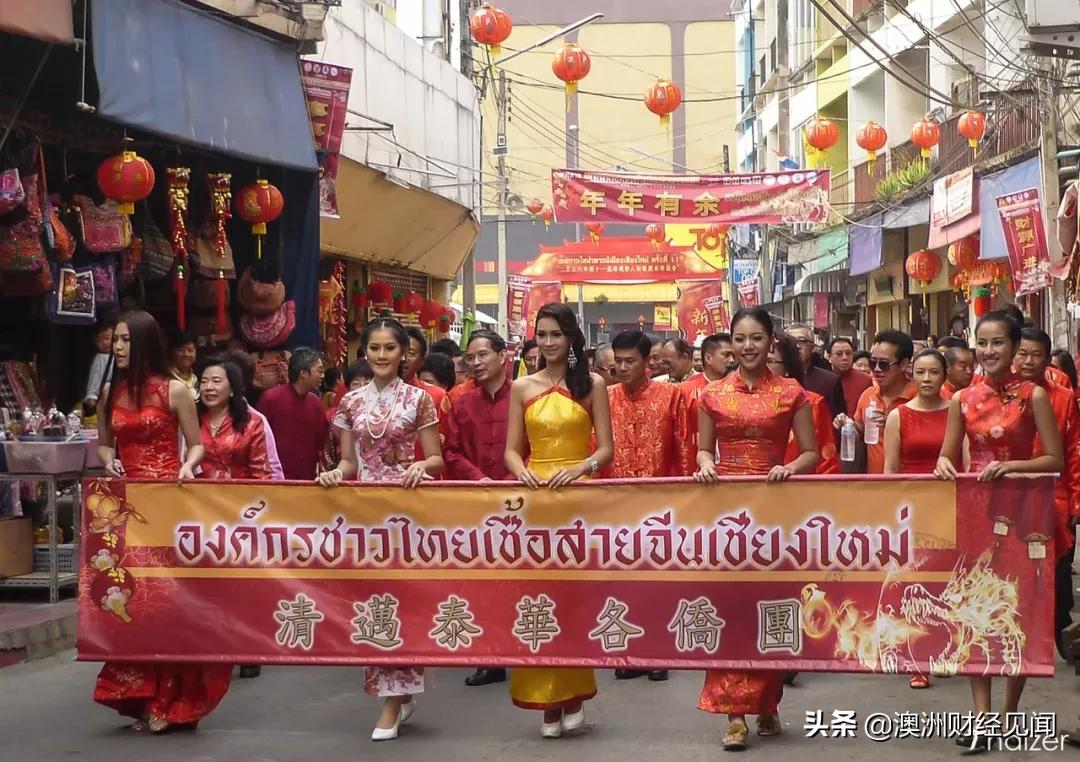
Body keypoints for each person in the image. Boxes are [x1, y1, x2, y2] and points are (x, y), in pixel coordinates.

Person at [92, 310, 228, 733]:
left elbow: (197, 446)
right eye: (115, 340)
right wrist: (109, 460)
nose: (118, 347)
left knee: (168, 603)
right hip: (126, 507)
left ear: (146, 342)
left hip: (168, 504)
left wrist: (188, 468)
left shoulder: (175, 390)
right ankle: (142, 693)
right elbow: (103, 445)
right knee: (132, 601)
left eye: (126, 340)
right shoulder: (109, 391)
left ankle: (173, 698)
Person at [934, 311, 1063, 752]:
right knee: (973, 612)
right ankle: (980, 716)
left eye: (997, 344)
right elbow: (948, 455)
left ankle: (1008, 714)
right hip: (975, 514)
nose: (988, 352)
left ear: (1014, 348)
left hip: (1025, 513)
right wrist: (944, 464)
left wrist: (1012, 465)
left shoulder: (1034, 396)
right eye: (981, 344)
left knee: (1018, 613)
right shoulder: (962, 400)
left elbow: (1055, 460)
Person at [693, 307, 819, 751]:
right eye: (740, 339)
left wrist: (789, 467)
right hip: (726, 512)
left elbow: (811, 452)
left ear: (771, 342)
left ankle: (767, 700)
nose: (748, 347)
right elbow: (703, 450)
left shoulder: (791, 393)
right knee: (730, 605)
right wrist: (707, 464)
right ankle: (734, 712)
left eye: (757, 338)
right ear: (731, 343)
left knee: (771, 606)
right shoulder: (711, 394)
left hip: (774, 510)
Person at [318, 317, 443, 742]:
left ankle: (396, 697)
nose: (383, 356)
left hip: (409, 513)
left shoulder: (420, 399)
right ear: (365, 353)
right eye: (375, 349)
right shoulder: (350, 402)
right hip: (368, 514)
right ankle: (395, 693)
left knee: (404, 599)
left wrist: (418, 467)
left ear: (405, 352)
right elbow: (350, 462)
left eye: (391, 348)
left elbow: (436, 459)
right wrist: (337, 473)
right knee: (375, 600)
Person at [504, 302, 613, 739]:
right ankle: (545, 701)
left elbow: (606, 449)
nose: (548, 343)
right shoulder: (521, 387)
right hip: (534, 501)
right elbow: (511, 449)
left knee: (573, 600)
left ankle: (573, 695)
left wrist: (583, 467)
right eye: (542, 334)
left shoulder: (592, 384)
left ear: (571, 338)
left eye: (556, 335)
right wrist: (521, 470)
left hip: (577, 500)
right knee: (536, 599)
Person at [606, 329, 692, 682]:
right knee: (623, 582)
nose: (623, 368)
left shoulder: (671, 396)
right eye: (618, 362)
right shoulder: (605, 397)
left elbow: (684, 447)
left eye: (630, 361)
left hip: (661, 505)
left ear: (648, 363)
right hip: (616, 503)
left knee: (659, 581)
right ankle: (629, 651)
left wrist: (686, 496)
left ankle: (658, 651)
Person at [443, 330, 514, 688]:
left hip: (520, 498)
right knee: (482, 579)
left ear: (503, 356)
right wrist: (477, 479)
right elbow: (450, 451)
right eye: (470, 358)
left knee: (521, 577)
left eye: (482, 355)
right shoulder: (459, 401)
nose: (475, 363)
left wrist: (517, 475)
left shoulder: (524, 395)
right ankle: (491, 655)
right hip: (476, 499)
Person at [882, 348, 950, 689]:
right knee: (913, 585)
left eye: (933, 373)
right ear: (912, 374)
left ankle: (942, 649)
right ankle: (917, 659)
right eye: (921, 372)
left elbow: (964, 461)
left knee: (943, 585)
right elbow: (890, 470)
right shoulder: (899, 416)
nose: (926, 379)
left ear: (944, 376)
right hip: (911, 511)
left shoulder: (957, 413)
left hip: (948, 505)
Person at [1015, 327, 1080, 655]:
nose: (1027, 361)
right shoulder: (988, 394)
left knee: (1057, 574)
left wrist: (1075, 501)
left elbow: (1073, 451)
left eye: (1035, 354)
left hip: (1053, 497)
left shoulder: (1063, 397)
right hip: (1007, 497)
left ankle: (1057, 636)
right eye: (1022, 353)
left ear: (1047, 359)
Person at [848, 330, 915, 475]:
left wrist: (894, 425)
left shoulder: (919, 397)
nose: (877, 369)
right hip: (874, 484)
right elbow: (860, 431)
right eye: (873, 363)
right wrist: (847, 424)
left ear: (904, 364)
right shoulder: (868, 395)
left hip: (911, 484)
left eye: (884, 364)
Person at [769, 334, 838, 474]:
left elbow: (827, 461)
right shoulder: (740, 401)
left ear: (787, 368)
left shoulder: (812, 404)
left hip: (800, 488)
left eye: (769, 361)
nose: (761, 367)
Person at [256, 348, 329, 480]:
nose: (322, 376)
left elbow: (321, 442)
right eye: (319, 371)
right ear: (303, 373)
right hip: (274, 478)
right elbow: (259, 439)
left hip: (307, 479)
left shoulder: (315, 403)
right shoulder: (271, 398)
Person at [196, 358, 272, 481]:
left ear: (232, 389)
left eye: (216, 381)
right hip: (197, 496)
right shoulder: (192, 420)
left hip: (240, 497)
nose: (208, 387)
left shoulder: (251, 423)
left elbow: (260, 473)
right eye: (204, 382)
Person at [682, 333, 735, 456]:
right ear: (708, 358)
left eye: (734, 355)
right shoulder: (686, 390)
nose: (732, 360)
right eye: (726, 355)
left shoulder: (742, 389)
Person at [787, 324, 845, 419]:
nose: (797, 346)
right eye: (791, 341)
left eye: (802, 341)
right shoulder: (777, 378)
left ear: (813, 348)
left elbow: (838, 419)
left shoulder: (830, 381)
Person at [827, 336, 872, 419]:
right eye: (839, 354)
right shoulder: (823, 379)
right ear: (829, 357)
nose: (845, 358)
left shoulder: (865, 380)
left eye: (848, 353)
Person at [81, 321, 115, 425]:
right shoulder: (101, 359)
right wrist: (94, 403)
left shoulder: (116, 357)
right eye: (99, 340)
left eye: (107, 338)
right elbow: (94, 385)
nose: (104, 343)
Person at [167, 328, 199, 399]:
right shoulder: (166, 376)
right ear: (172, 352)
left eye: (190, 350)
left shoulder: (200, 375)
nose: (186, 354)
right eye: (180, 350)